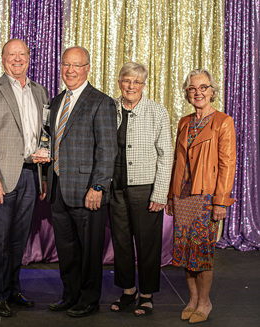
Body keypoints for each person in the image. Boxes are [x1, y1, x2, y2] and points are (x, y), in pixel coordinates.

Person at [0, 39, 49, 317]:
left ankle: (13, 288)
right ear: (2, 58)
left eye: (22, 54)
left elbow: (44, 135)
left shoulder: (41, 92)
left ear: (29, 57)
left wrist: (42, 176)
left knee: (19, 239)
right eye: (11, 54)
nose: (17, 59)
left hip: (30, 174)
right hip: (0, 177)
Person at [40, 46, 117, 318]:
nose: (70, 70)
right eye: (66, 65)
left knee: (89, 250)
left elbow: (108, 150)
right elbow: (50, 141)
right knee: (67, 249)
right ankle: (70, 295)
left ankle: (88, 299)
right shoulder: (57, 100)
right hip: (59, 188)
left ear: (87, 68)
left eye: (76, 65)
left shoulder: (101, 102)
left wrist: (98, 187)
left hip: (87, 190)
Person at [165, 68, 236, 324]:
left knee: (202, 252)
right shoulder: (184, 122)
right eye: (193, 88)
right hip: (183, 196)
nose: (198, 92)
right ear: (187, 93)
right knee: (185, 252)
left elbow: (228, 165)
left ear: (212, 91)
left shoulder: (223, 121)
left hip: (206, 198)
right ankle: (192, 299)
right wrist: (172, 196)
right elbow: (177, 161)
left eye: (203, 87)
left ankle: (205, 302)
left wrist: (221, 201)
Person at [108, 62, 173, 315]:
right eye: (127, 80)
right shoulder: (108, 108)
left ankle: (146, 294)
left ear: (144, 85)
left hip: (145, 189)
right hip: (116, 188)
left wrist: (160, 194)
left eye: (137, 82)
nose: (131, 86)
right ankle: (127, 291)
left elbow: (166, 156)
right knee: (121, 242)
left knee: (147, 243)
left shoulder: (157, 112)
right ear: (120, 82)